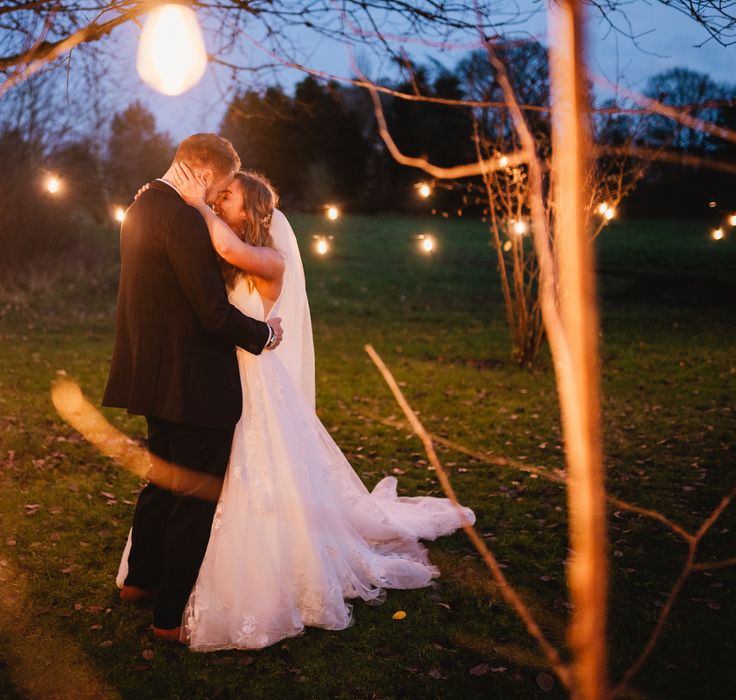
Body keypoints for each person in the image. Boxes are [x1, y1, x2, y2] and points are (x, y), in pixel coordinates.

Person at [118, 163, 476, 651]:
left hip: (248, 383)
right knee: (182, 482)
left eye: (228, 198)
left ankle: (234, 580)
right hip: (207, 379)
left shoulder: (267, 259)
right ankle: (161, 578)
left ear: (254, 211)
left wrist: (186, 199)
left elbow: (225, 249)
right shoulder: (217, 253)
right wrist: (163, 199)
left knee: (236, 481)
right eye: (217, 195)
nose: (218, 200)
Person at [104, 134, 284, 642]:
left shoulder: (140, 206)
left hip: (152, 376)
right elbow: (211, 312)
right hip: (195, 385)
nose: (217, 197)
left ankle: (139, 583)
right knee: (194, 499)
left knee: (161, 484)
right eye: (222, 187)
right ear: (205, 176)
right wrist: (264, 334)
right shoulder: (182, 218)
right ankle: (167, 620)